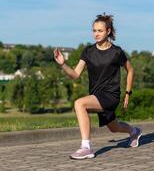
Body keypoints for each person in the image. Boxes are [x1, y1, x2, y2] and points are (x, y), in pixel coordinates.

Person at [53, 13, 142, 160]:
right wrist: (63, 64)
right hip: (96, 95)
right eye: (94, 30)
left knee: (79, 103)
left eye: (100, 30)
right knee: (114, 128)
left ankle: (86, 148)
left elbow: (130, 70)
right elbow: (75, 74)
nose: (96, 34)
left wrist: (128, 93)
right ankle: (134, 131)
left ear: (108, 31)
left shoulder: (116, 52)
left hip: (110, 95)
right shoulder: (88, 51)